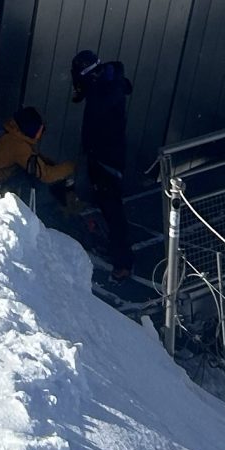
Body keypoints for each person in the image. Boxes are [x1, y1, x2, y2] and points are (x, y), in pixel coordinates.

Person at [69, 49, 135, 281]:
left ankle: (123, 262)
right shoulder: (108, 84)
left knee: (112, 208)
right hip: (102, 155)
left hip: (107, 159)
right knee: (105, 202)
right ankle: (112, 246)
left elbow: (95, 104)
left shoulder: (102, 94)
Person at [0, 105, 74, 195]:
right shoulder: (18, 144)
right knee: (36, 184)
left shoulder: (10, 134)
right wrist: (71, 167)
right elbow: (45, 175)